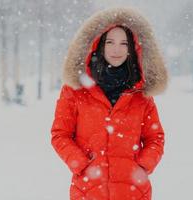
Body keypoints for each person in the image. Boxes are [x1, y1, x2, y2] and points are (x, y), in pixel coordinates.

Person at [51, 7, 168, 200]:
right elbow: (60, 134)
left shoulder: (141, 93)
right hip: (88, 192)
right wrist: (81, 165)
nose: (117, 49)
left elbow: (155, 138)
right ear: (98, 44)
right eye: (110, 42)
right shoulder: (75, 91)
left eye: (124, 43)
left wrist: (142, 166)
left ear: (132, 49)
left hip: (134, 192)